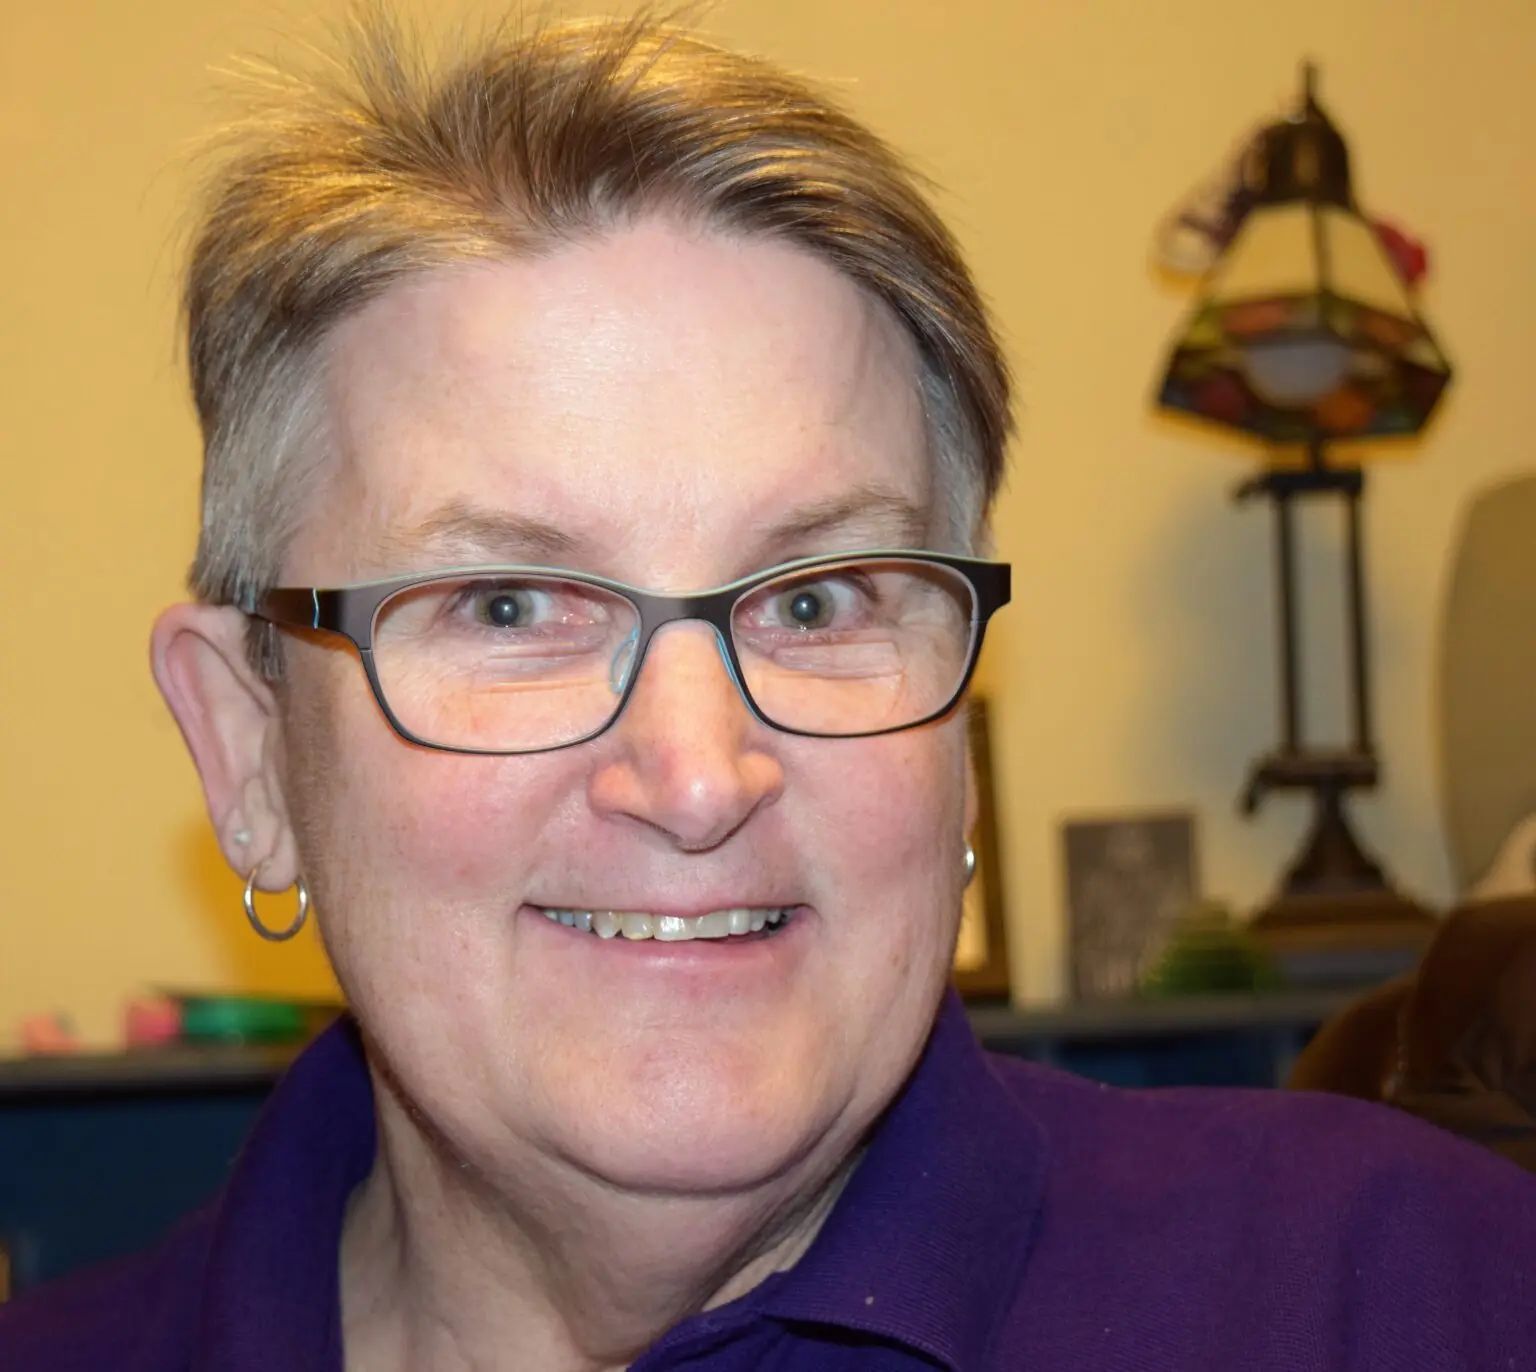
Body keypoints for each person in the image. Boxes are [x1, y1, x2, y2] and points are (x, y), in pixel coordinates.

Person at [4, 12, 1536, 1370]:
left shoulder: (1417, 1292)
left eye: (816, 599)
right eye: (509, 606)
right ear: (251, 753)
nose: (696, 776)